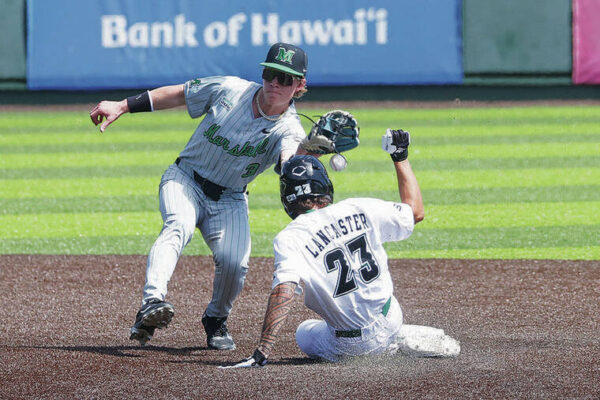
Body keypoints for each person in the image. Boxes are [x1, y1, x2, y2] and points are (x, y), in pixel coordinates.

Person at [89, 42, 313, 350]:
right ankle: (151, 302)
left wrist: (308, 152)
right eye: (270, 74)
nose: (275, 82)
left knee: (235, 262)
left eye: (285, 78)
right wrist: (123, 106)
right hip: (185, 179)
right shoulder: (229, 90)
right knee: (177, 227)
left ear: (300, 85)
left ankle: (216, 319)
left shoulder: (290, 129)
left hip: (231, 198)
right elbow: (181, 93)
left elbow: (288, 162)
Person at [220, 129, 460, 368]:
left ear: (287, 198)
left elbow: (284, 290)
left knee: (303, 332)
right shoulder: (358, 207)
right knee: (379, 312)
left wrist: (262, 351)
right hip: (390, 317)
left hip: (349, 345)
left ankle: (381, 347)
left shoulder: (289, 238)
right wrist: (400, 157)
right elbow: (415, 212)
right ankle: (393, 337)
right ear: (325, 187)